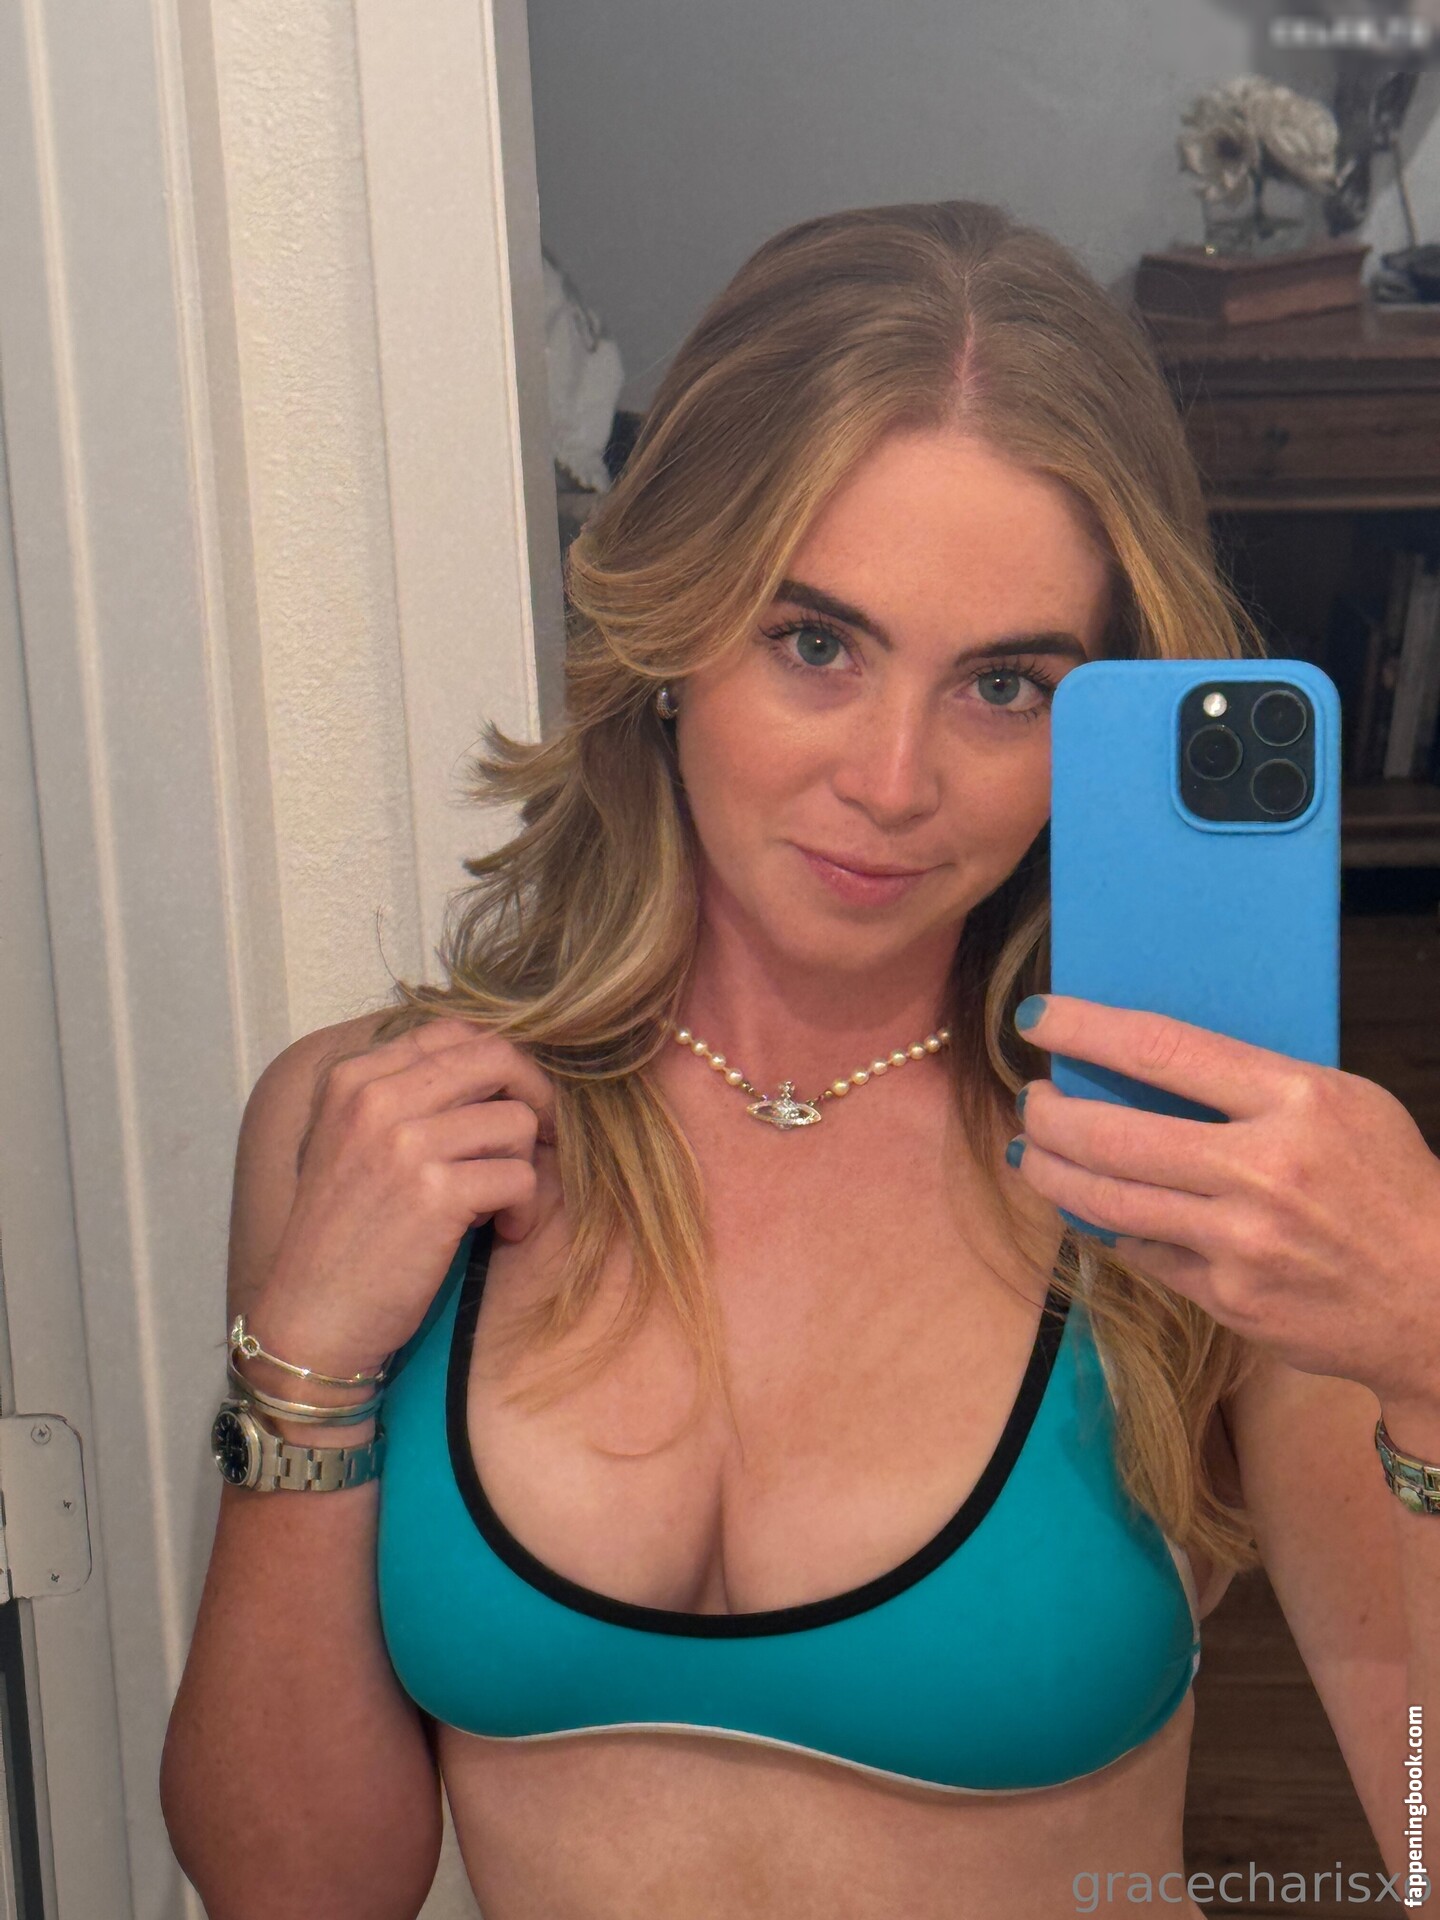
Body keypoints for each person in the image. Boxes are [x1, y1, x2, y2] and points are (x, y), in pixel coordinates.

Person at [160, 200, 1440, 1920]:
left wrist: (1431, 1353)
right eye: (815, 643)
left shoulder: (1197, 1170)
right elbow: (291, 1893)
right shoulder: (375, 1134)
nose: (892, 782)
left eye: (1005, 685)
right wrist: (305, 1366)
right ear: (672, 626)